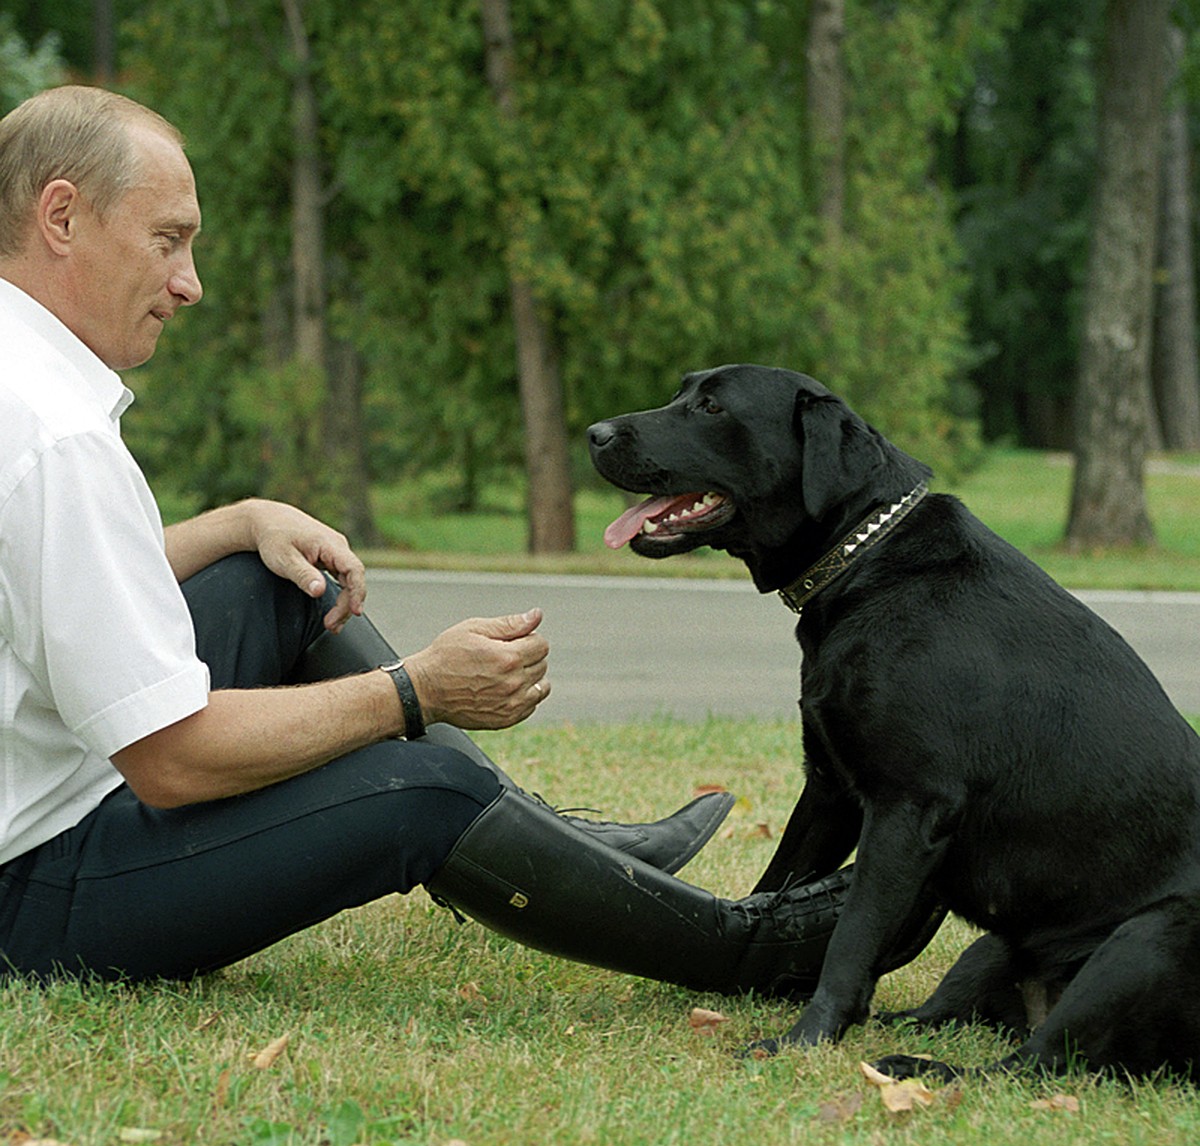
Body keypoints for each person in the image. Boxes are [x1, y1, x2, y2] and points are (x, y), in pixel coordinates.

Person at [0, 85, 897, 1001]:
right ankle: (744, 950)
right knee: (422, 791)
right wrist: (413, 692)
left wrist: (237, 521)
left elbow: (54, 590)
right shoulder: (57, 433)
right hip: (27, 891)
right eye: (168, 239)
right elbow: (169, 758)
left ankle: (556, 839)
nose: (190, 281)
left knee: (278, 583)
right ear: (62, 216)